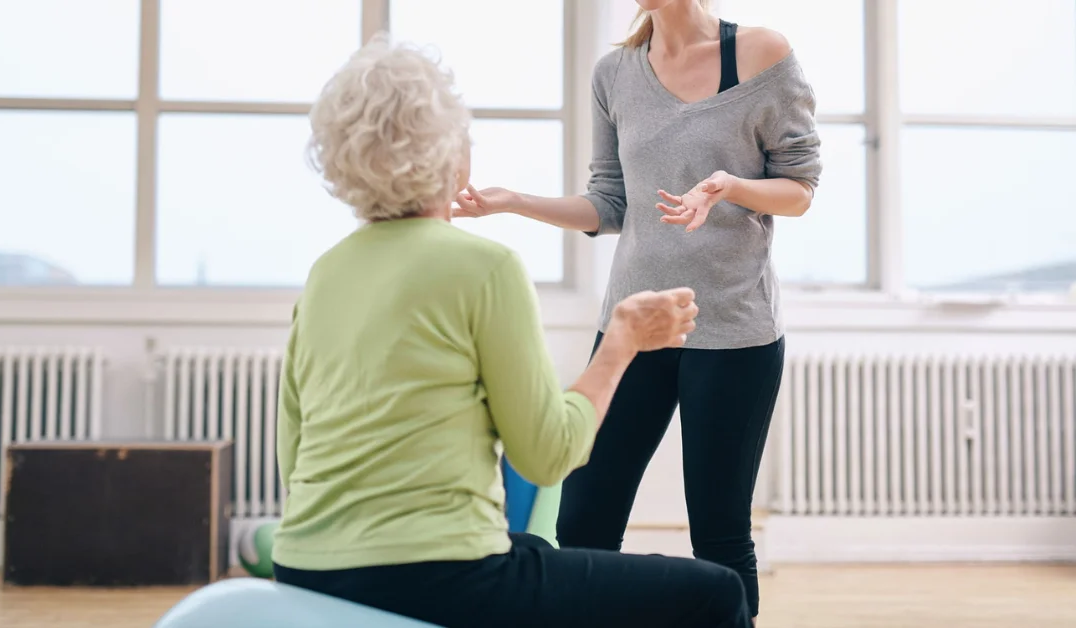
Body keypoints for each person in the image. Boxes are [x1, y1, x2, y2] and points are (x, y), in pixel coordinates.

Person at [272, 35, 751, 628]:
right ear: (451, 155)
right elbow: (549, 456)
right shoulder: (483, 268)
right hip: (437, 575)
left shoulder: (326, 273)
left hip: (303, 569)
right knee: (716, 592)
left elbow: (293, 461)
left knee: (538, 555)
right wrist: (622, 342)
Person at [453, 0, 822, 623]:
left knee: (719, 532)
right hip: (634, 326)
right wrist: (514, 201)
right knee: (584, 517)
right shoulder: (615, 73)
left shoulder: (762, 54)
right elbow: (611, 202)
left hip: (734, 330)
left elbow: (800, 188)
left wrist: (729, 185)